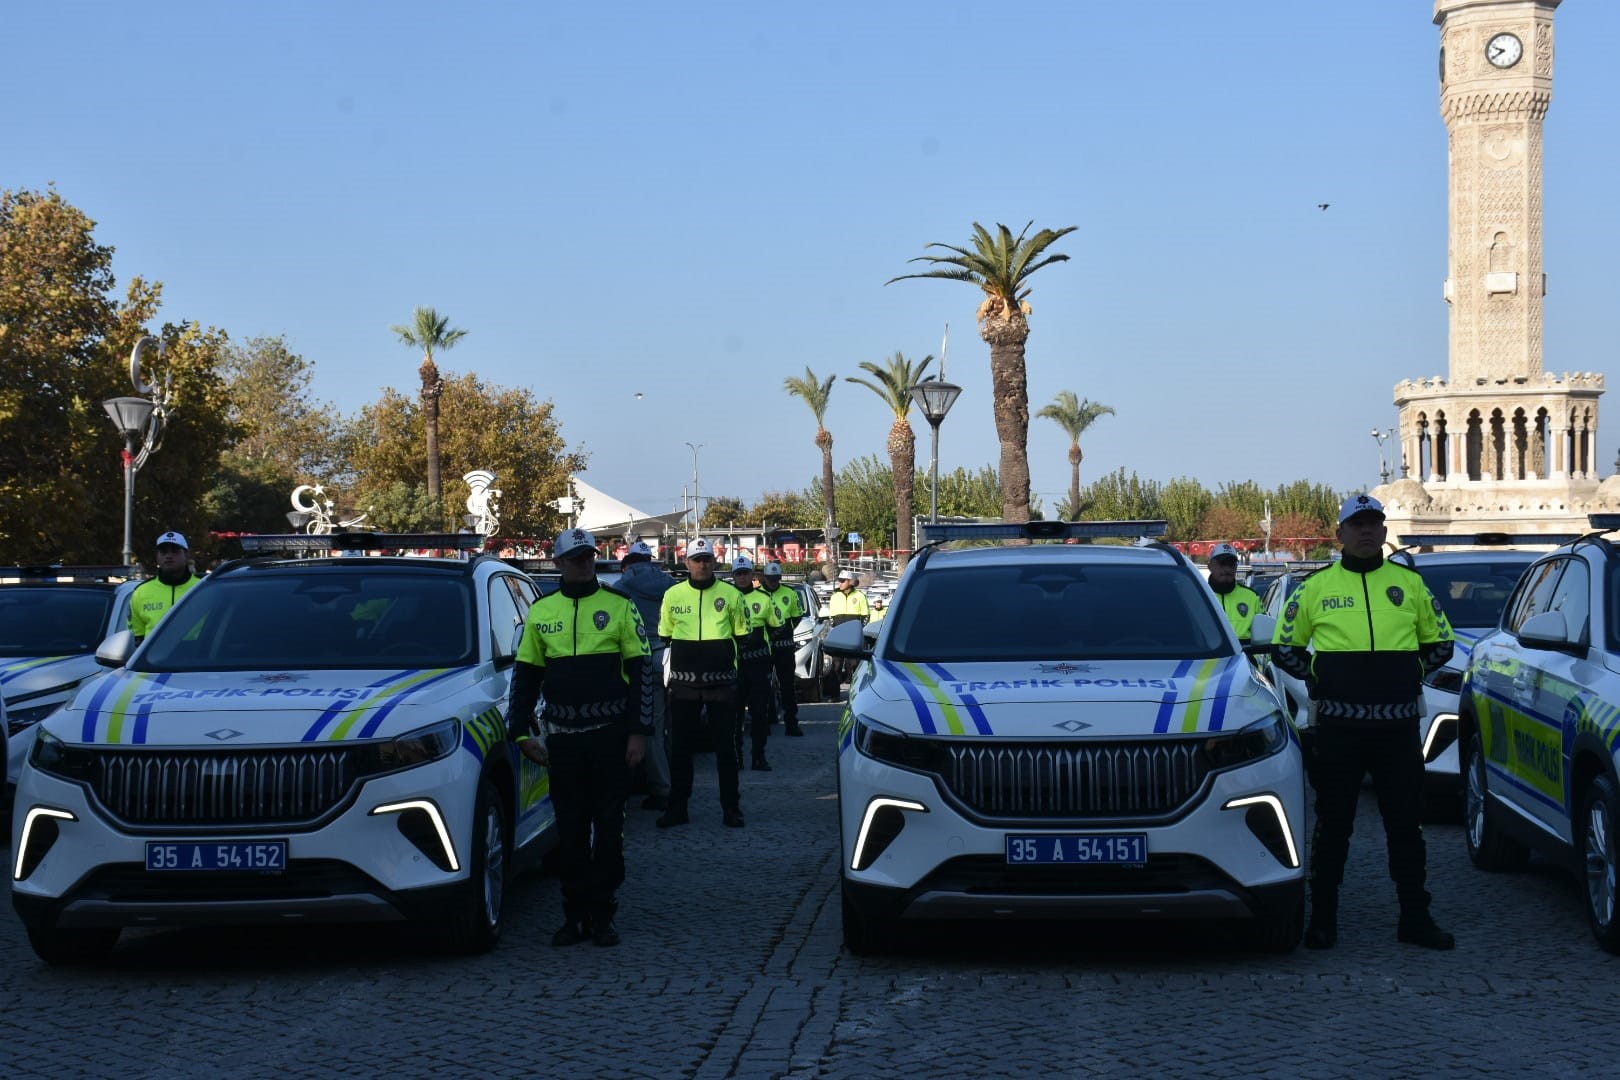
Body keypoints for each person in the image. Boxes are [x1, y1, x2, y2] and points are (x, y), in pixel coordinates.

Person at [1273, 494, 1457, 951]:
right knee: (1333, 826)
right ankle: (1323, 920)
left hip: (1397, 731)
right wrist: (1323, 678)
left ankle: (1415, 917)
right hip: (1339, 731)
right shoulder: (1314, 588)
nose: (1367, 531)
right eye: (1357, 524)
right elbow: (1285, 648)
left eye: (1374, 523)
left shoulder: (1409, 584)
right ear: (1340, 534)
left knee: (1406, 827)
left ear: (1384, 530)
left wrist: (1406, 674)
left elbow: (1442, 642)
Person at [504, 527, 651, 948]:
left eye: (589, 557)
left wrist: (639, 734)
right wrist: (518, 734)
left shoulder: (620, 605)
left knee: (608, 829)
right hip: (563, 740)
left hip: (611, 737)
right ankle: (573, 916)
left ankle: (603, 915)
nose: (584, 563)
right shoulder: (541, 610)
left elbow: (642, 673)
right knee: (569, 831)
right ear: (559, 564)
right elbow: (526, 677)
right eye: (575, 558)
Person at [657, 537, 748, 828]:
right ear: (687, 563)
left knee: (726, 749)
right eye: (697, 559)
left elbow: (742, 634)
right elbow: (665, 634)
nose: (702, 564)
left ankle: (731, 809)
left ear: (714, 561)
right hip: (683, 685)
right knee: (681, 749)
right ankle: (677, 809)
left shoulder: (732, 594)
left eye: (707, 558)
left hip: (721, 683)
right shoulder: (673, 594)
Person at [616, 539, 677, 811]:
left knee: (646, 729)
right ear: (650, 561)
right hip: (672, 659)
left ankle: (661, 788)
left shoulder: (620, 588)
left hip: (639, 661)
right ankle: (673, 784)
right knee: (670, 729)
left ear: (628, 563)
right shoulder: (671, 586)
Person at [730, 555, 783, 770]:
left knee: (760, 713)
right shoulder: (727, 598)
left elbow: (777, 626)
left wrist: (762, 644)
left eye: (746, 573)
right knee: (734, 715)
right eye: (738, 574)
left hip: (759, 664)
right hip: (735, 665)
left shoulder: (764, 599)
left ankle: (759, 756)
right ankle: (737, 756)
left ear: (753, 575)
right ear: (733, 576)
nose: (742, 577)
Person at [759, 561, 805, 737]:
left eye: (776, 579)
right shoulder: (757, 595)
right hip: (764, 647)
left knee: (787, 686)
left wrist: (785, 631)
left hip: (784, 647)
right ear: (765, 578)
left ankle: (791, 723)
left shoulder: (790, 593)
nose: (773, 582)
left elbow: (797, 616)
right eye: (770, 579)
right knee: (762, 686)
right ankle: (764, 723)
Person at [129, 531, 202, 642]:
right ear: (157, 557)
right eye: (163, 552)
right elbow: (137, 637)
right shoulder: (141, 592)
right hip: (154, 658)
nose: (169, 556)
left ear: (186, 555)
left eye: (175, 551)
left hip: (197, 656)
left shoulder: (202, 588)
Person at [1207, 542, 1263, 644]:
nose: (1227, 569)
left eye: (1231, 564)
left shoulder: (1252, 597)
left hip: (1246, 657)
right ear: (1210, 566)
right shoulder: (1198, 596)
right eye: (1222, 563)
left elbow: (1264, 635)